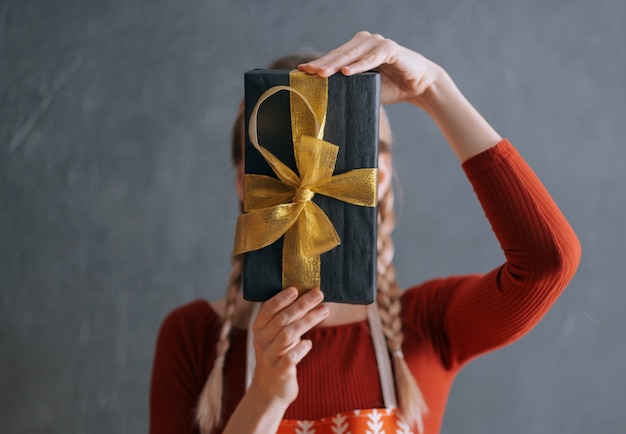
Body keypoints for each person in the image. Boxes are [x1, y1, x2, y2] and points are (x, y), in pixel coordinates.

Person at [149, 31, 581, 434]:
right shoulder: (193, 338)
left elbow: (549, 263)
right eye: (289, 158)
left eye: (347, 151)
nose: (314, 176)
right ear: (249, 182)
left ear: (381, 174)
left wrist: (434, 89)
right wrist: (264, 395)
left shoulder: (427, 325)